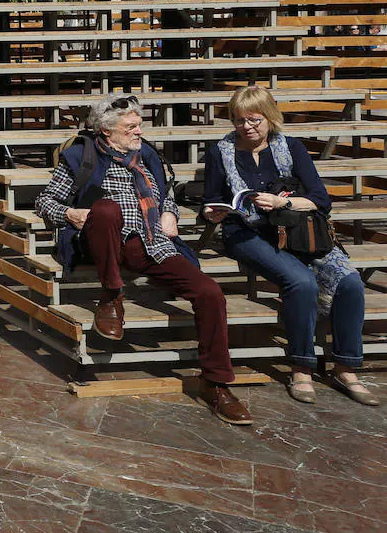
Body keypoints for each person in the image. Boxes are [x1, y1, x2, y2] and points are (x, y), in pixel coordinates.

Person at [37, 95, 251, 425]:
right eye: (131, 126)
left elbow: (166, 193)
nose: (139, 131)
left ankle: (216, 383)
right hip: (101, 242)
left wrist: (169, 212)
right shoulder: (81, 154)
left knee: (210, 293)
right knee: (106, 210)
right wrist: (69, 212)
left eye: (140, 124)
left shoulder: (146, 154)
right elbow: (45, 201)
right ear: (107, 131)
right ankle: (111, 296)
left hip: (152, 242)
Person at [203, 86, 376, 406]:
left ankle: (345, 367)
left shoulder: (291, 147)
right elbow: (210, 198)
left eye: (254, 120)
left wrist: (285, 204)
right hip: (245, 232)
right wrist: (211, 211)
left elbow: (321, 200)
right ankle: (301, 367)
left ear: (270, 117)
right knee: (301, 282)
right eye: (239, 121)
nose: (246, 127)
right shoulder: (219, 152)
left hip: (298, 230)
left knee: (350, 283)